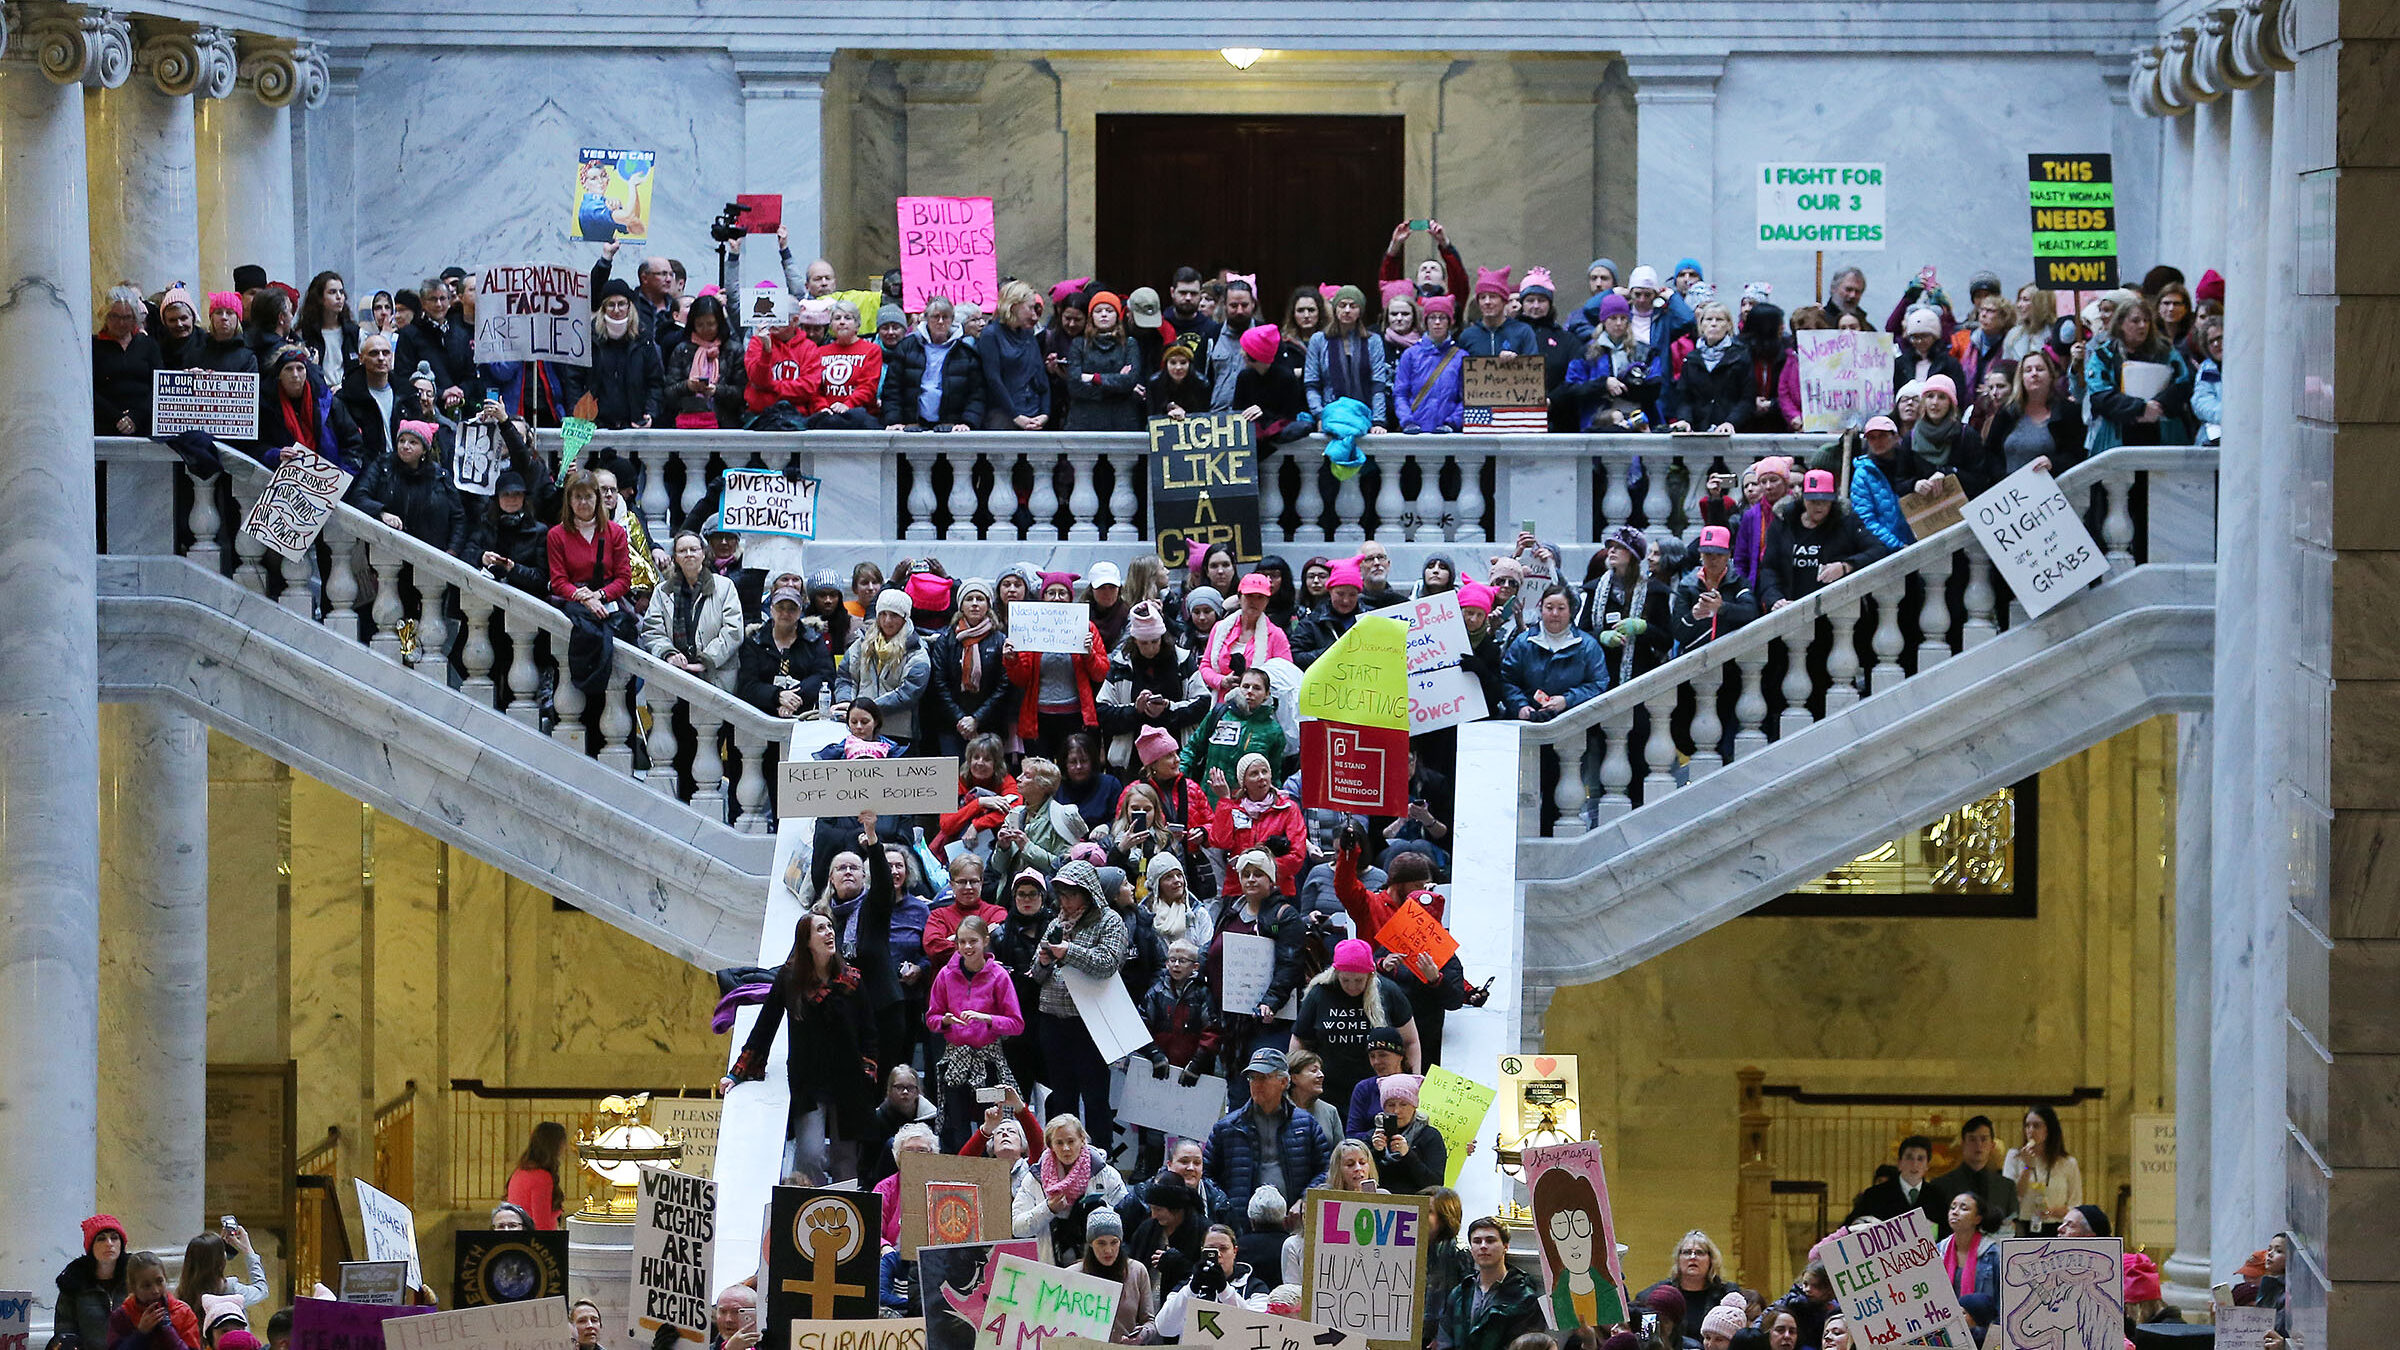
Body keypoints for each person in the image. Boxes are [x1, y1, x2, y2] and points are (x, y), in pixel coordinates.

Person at [724, 821, 901, 1182]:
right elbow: (765, 1027)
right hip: (809, 1080)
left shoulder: (852, 979)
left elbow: (869, 1031)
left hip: (849, 1079)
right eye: (821, 929)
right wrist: (737, 1073)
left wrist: (868, 1070)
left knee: (846, 1160)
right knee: (808, 1153)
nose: (829, 933)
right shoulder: (790, 980)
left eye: (831, 929)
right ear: (806, 941)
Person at [1027, 860, 1131, 1154]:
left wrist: (1069, 952)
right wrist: (1044, 962)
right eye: (1060, 895)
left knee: (1095, 1096)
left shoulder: (1110, 921)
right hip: (1052, 1020)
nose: (1065, 901)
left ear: (1088, 893)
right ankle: (1061, 1157)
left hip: (1090, 1022)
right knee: (1062, 1096)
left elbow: (1108, 963)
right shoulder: (1055, 923)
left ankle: (1101, 1160)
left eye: (1071, 894)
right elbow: (1035, 974)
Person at [1291, 938, 1419, 1110]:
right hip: (1328, 1090)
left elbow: (1411, 1042)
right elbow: (1299, 1039)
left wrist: (1413, 1081)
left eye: (1359, 981)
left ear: (1370, 975)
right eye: (1346, 980)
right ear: (1336, 973)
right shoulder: (1320, 993)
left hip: (1377, 1090)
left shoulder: (1389, 992)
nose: (1352, 987)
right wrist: (1295, 1082)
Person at [1205, 1048, 1332, 1211]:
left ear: (1284, 1082)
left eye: (1263, 1077)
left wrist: (1305, 1200)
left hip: (1294, 1220)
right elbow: (1206, 1174)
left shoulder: (1306, 1124)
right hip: (1242, 1224)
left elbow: (1325, 1169)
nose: (1256, 1084)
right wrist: (1225, 1206)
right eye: (1252, 1078)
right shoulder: (1227, 1127)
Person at [1758, 470, 1889, 610]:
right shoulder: (1783, 524)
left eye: (1825, 501)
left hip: (1837, 607)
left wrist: (1846, 566)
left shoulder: (1846, 522)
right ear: (1803, 498)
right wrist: (1775, 598)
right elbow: (1769, 568)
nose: (1819, 507)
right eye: (1813, 501)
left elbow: (1878, 550)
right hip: (1792, 608)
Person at [2085, 294, 2196, 452]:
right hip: (2117, 439)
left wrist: (2157, 406)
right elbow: (2100, 394)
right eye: (2135, 321)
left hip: (2163, 435)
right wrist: (2140, 408)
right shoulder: (2104, 355)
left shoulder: (2166, 352)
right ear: (2121, 323)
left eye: (2146, 321)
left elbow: (2182, 384)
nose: (2142, 325)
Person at [642, 530, 747, 692]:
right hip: (674, 675)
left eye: (694, 549)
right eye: (682, 551)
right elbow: (652, 630)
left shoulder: (725, 587)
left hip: (715, 675)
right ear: (675, 557)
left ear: (704, 554)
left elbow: (733, 630)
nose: (689, 554)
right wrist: (668, 653)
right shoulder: (662, 591)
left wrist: (706, 660)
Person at [832, 590, 932, 749]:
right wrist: (846, 702)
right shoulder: (861, 644)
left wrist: (864, 709)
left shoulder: (917, 653)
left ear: (905, 618)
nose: (887, 620)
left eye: (894, 615)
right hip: (859, 731)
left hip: (899, 734)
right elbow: (846, 677)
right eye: (882, 614)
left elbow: (907, 693)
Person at [353, 420, 467, 557]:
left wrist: (452, 551)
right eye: (402, 441)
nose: (405, 446)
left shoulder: (440, 477)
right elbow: (359, 496)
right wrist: (381, 513)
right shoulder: (383, 466)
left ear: (425, 449)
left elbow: (458, 517)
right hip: (388, 552)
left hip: (429, 557)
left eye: (413, 442)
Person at [926, 578, 1013, 757]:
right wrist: (961, 719)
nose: (974, 604)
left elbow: (1004, 685)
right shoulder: (946, 640)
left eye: (980, 599)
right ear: (961, 605)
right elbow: (939, 682)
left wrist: (977, 719)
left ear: (988, 605)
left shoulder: (1000, 640)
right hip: (952, 725)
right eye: (969, 599)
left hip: (989, 723)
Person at [1501, 584, 1608, 721]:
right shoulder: (1523, 643)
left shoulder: (1587, 646)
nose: (1555, 613)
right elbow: (1508, 680)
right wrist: (1520, 706)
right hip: (1528, 721)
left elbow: (1599, 683)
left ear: (1570, 612)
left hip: (1572, 723)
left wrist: (1567, 700)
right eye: (1549, 608)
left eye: (1561, 608)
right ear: (1541, 610)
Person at [1435, 1218, 1544, 1350]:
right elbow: (1445, 1340)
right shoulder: (1460, 1293)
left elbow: (1525, 1346)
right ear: (1471, 1250)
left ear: (1505, 1246)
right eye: (1477, 1241)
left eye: (1490, 1240)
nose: (1483, 1246)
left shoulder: (1524, 1298)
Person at [882, 296, 983, 430]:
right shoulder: (906, 347)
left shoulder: (966, 352)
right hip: (911, 426)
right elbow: (892, 388)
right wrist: (893, 420)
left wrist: (968, 422)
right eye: (936, 317)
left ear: (952, 320)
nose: (940, 322)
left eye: (945, 317)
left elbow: (977, 393)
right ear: (926, 318)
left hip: (952, 428)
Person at [1306, 285, 1390, 427]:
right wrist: (1320, 415)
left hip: (1364, 415)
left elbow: (1378, 384)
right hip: (1330, 415)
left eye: (1353, 306)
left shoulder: (1373, 341)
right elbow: (1311, 382)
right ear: (1335, 309)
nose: (1347, 310)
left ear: (1360, 311)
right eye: (1342, 305)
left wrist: (1378, 421)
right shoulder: (1319, 340)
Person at [93, 284, 167, 437]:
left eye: (127, 317)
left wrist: (136, 417)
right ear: (106, 315)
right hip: (105, 425)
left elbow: (159, 387)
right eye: (115, 316)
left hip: (144, 424)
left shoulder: (149, 345)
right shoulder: (94, 346)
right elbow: (89, 391)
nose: (121, 323)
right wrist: (117, 418)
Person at [663, 293, 745, 429]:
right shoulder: (682, 350)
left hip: (725, 424)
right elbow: (668, 393)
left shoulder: (733, 349)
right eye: (700, 325)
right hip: (688, 422)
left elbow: (742, 393)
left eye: (711, 324)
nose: (706, 329)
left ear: (719, 323)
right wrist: (687, 386)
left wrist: (717, 390)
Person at [1199, 574, 1291, 694]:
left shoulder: (1276, 635)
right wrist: (1221, 681)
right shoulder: (1220, 628)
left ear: (1267, 601)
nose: (1254, 601)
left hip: (1260, 707)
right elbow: (1205, 666)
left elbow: (1286, 675)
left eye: (1260, 597)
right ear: (1239, 597)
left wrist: (1255, 685)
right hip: (1221, 703)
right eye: (1249, 596)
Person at [1672, 527, 1760, 649]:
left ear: (1729, 555)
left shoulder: (1739, 582)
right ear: (1700, 555)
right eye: (1708, 554)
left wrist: (1722, 608)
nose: (1713, 560)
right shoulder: (1687, 585)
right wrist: (1693, 616)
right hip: (1695, 658)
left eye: (1719, 554)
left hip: (1730, 656)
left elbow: (1751, 613)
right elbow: (1677, 632)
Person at [1926, 1115, 2014, 1236]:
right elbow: (1933, 1231)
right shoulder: (1940, 1185)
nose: (1978, 1145)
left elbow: (2014, 1226)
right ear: (1962, 1143)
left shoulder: (2006, 1186)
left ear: (1992, 1145)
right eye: (1972, 1139)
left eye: (1983, 1139)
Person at [980, 279, 1050, 430]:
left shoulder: (1027, 334)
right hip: (1003, 416)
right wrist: (1016, 415)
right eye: (1030, 308)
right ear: (1014, 305)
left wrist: (1045, 413)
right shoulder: (991, 334)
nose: (1034, 315)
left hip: (1032, 412)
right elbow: (993, 379)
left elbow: (1040, 376)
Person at [1669, 301, 1750, 432]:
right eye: (1708, 319)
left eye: (1719, 320)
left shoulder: (1741, 356)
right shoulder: (1691, 359)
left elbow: (1747, 399)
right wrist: (1684, 419)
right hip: (1698, 431)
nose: (1713, 324)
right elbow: (1684, 398)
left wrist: (1731, 422)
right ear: (1701, 325)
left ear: (1728, 325)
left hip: (1733, 430)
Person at [53, 1215, 131, 1350]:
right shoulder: (73, 1284)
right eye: (101, 1239)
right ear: (91, 1247)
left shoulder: (136, 1279)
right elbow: (65, 1332)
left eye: (114, 1238)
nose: (109, 1243)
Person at [2003, 1104, 2082, 1235]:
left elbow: (2075, 1205)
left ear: (2049, 1129)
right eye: (2027, 1126)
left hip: (2056, 1226)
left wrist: (2051, 1211)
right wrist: (2027, 1167)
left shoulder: (2068, 1163)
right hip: (2022, 1225)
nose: (2030, 1131)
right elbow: (2011, 1197)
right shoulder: (2014, 1157)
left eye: (2037, 1126)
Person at [1644, 1231, 1734, 1346]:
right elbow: (1645, 1337)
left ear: (1711, 1260)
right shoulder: (1659, 1294)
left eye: (1699, 1253)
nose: (1692, 1257)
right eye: (1686, 1252)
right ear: (1678, 1259)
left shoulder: (1727, 1293)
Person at [1077, 1207, 1153, 1341]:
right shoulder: (1074, 1275)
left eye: (1114, 1242)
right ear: (1090, 1243)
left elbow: (1150, 1321)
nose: (1108, 1250)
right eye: (1101, 1243)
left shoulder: (1137, 1271)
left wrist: (1142, 1334)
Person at [806, 299, 883, 430]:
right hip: (826, 417)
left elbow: (868, 386)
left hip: (859, 419)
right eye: (837, 318)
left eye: (848, 318)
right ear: (831, 325)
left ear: (857, 325)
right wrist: (822, 407)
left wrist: (848, 405)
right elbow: (814, 387)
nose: (842, 322)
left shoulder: (871, 350)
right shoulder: (820, 352)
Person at [1363, 1073, 1445, 1192]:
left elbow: (1435, 1183)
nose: (1396, 1111)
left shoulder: (1430, 1136)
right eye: (1391, 1105)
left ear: (1414, 1106)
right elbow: (1362, 1180)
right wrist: (1376, 1152)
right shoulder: (1372, 1136)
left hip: (1417, 1204)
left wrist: (1408, 1155)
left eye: (1403, 1104)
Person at [1394, 296, 1465, 432]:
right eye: (1432, 317)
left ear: (1450, 322)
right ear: (1425, 322)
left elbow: (1466, 398)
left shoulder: (1460, 357)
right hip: (1415, 431)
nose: (1437, 322)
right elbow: (1400, 393)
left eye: (1442, 317)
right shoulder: (1410, 355)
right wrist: (1407, 421)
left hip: (1449, 433)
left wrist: (1452, 422)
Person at [108, 1251, 202, 1350]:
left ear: (165, 1279)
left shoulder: (183, 1312)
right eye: (146, 1286)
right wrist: (141, 1333)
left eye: (159, 1281)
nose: (155, 1291)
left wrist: (167, 1329)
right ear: (133, 1288)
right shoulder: (122, 1316)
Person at [1935, 1192, 2000, 1327]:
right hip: (1946, 1329)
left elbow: (2002, 1300)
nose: (1955, 1212)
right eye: (1953, 1208)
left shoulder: (1993, 1253)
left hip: (1983, 1333)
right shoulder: (1938, 1250)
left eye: (1964, 1208)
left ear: (1977, 1218)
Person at [1847, 1135, 1941, 1227]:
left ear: (1927, 1165)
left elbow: (1948, 1234)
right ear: (1899, 1163)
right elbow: (1849, 1228)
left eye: (1920, 1159)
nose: (1914, 1164)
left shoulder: (1937, 1196)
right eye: (1909, 1157)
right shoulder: (1874, 1195)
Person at [503, 1121, 570, 1229]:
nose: (565, 1147)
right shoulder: (541, 1177)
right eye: (563, 1142)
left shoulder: (521, 1171)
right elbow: (541, 1224)